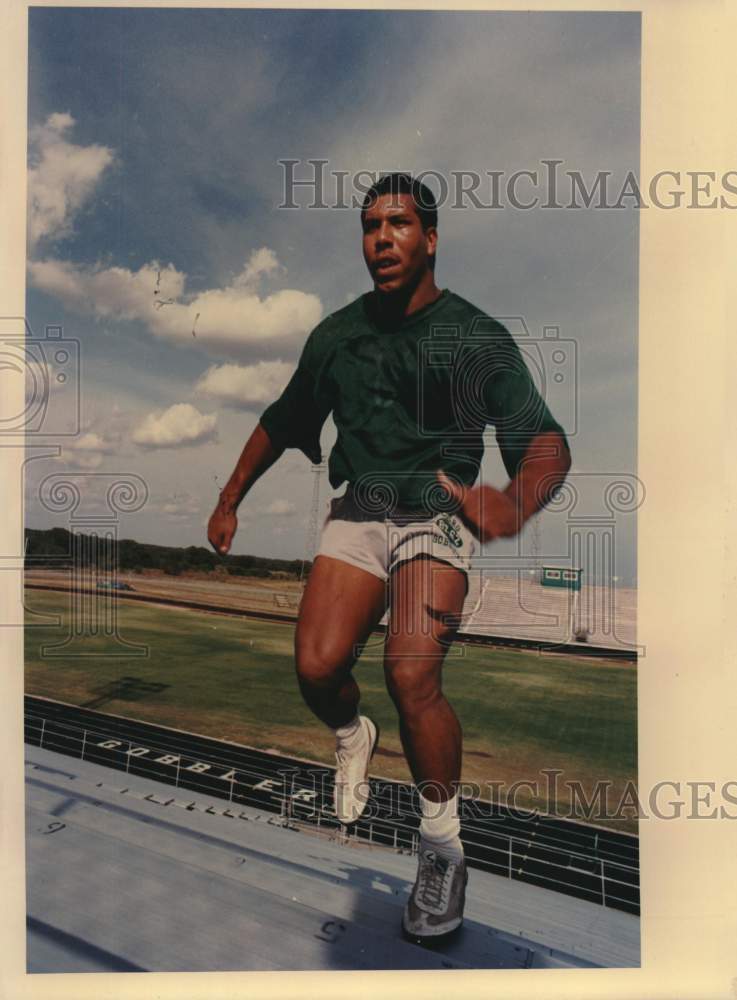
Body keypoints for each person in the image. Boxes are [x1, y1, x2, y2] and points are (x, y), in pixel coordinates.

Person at [207, 173, 571, 940]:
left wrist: (510, 502)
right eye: (371, 226)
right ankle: (351, 737)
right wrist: (230, 495)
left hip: (437, 514)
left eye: (400, 225)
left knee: (410, 671)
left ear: (430, 239)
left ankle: (441, 849)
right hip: (360, 509)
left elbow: (543, 442)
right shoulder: (337, 335)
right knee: (315, 668)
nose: (382, 239)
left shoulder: (473, 336)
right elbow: (283, 418)